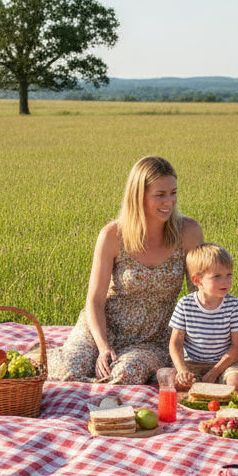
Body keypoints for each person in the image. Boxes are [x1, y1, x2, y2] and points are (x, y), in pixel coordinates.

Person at [48, 156, 204, 385]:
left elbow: (200, 296)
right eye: (160, 195)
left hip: (154, 339)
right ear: (138, 195)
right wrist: (103, 348)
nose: (169, 202)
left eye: (173, 193)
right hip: (104, 329)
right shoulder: (113, 235)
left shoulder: (188, 232)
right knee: (67, 371)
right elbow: (94, 300)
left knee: (124, 375)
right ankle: (51, 357)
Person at [168, 243, 238, 396]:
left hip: (223, 363)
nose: (225, 281)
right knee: (174, 385)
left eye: (229, 275)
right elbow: (175, 343)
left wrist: (214, 372)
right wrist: (182, 370)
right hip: (192, 363)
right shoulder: (185, 304)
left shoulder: (234, 305)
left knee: (236, 386)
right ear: (197, 280)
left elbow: (237, 346)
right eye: (217, 276)